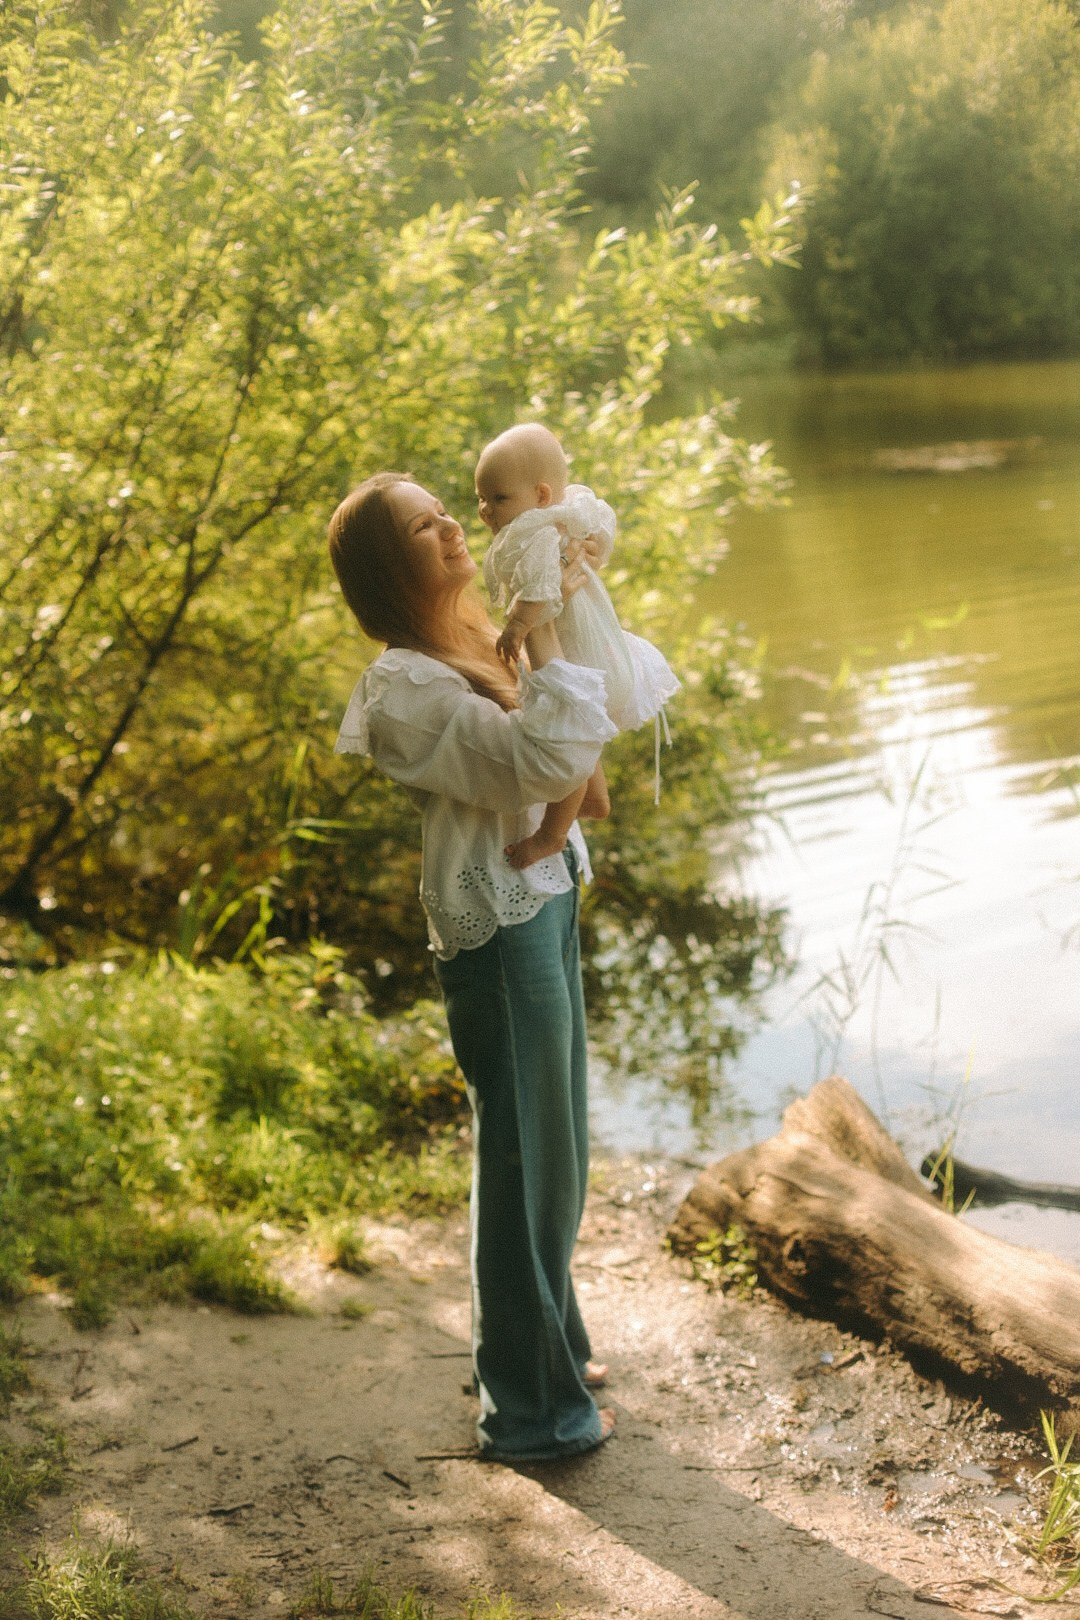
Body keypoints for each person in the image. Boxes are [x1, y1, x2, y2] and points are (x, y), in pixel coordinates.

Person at [328, 471, 618, 1461]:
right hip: (496, 930)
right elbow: (537, 765)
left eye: (447, 510)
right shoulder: (402, 687)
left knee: (560, 1149)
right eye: (423, 524)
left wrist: (567, 595)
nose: (453, 526)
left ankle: (555, 1348)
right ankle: (533, 1412)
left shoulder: (472, 634)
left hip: (544, 897)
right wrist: (544, 644)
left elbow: (581, 733)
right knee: (524, 1159)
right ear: (385, 566)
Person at [475, 422, 679, 870]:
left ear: (542, 495)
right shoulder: (569, 516)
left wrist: (516, 627)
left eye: (499, 498)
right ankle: (594, 797)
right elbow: (600, 539)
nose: (487, 510)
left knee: (566, 728)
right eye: (482, 499)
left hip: (581, 658)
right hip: (603, 650)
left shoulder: (534, 534)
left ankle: (550, 836)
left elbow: (541, 590)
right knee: (578, 730)